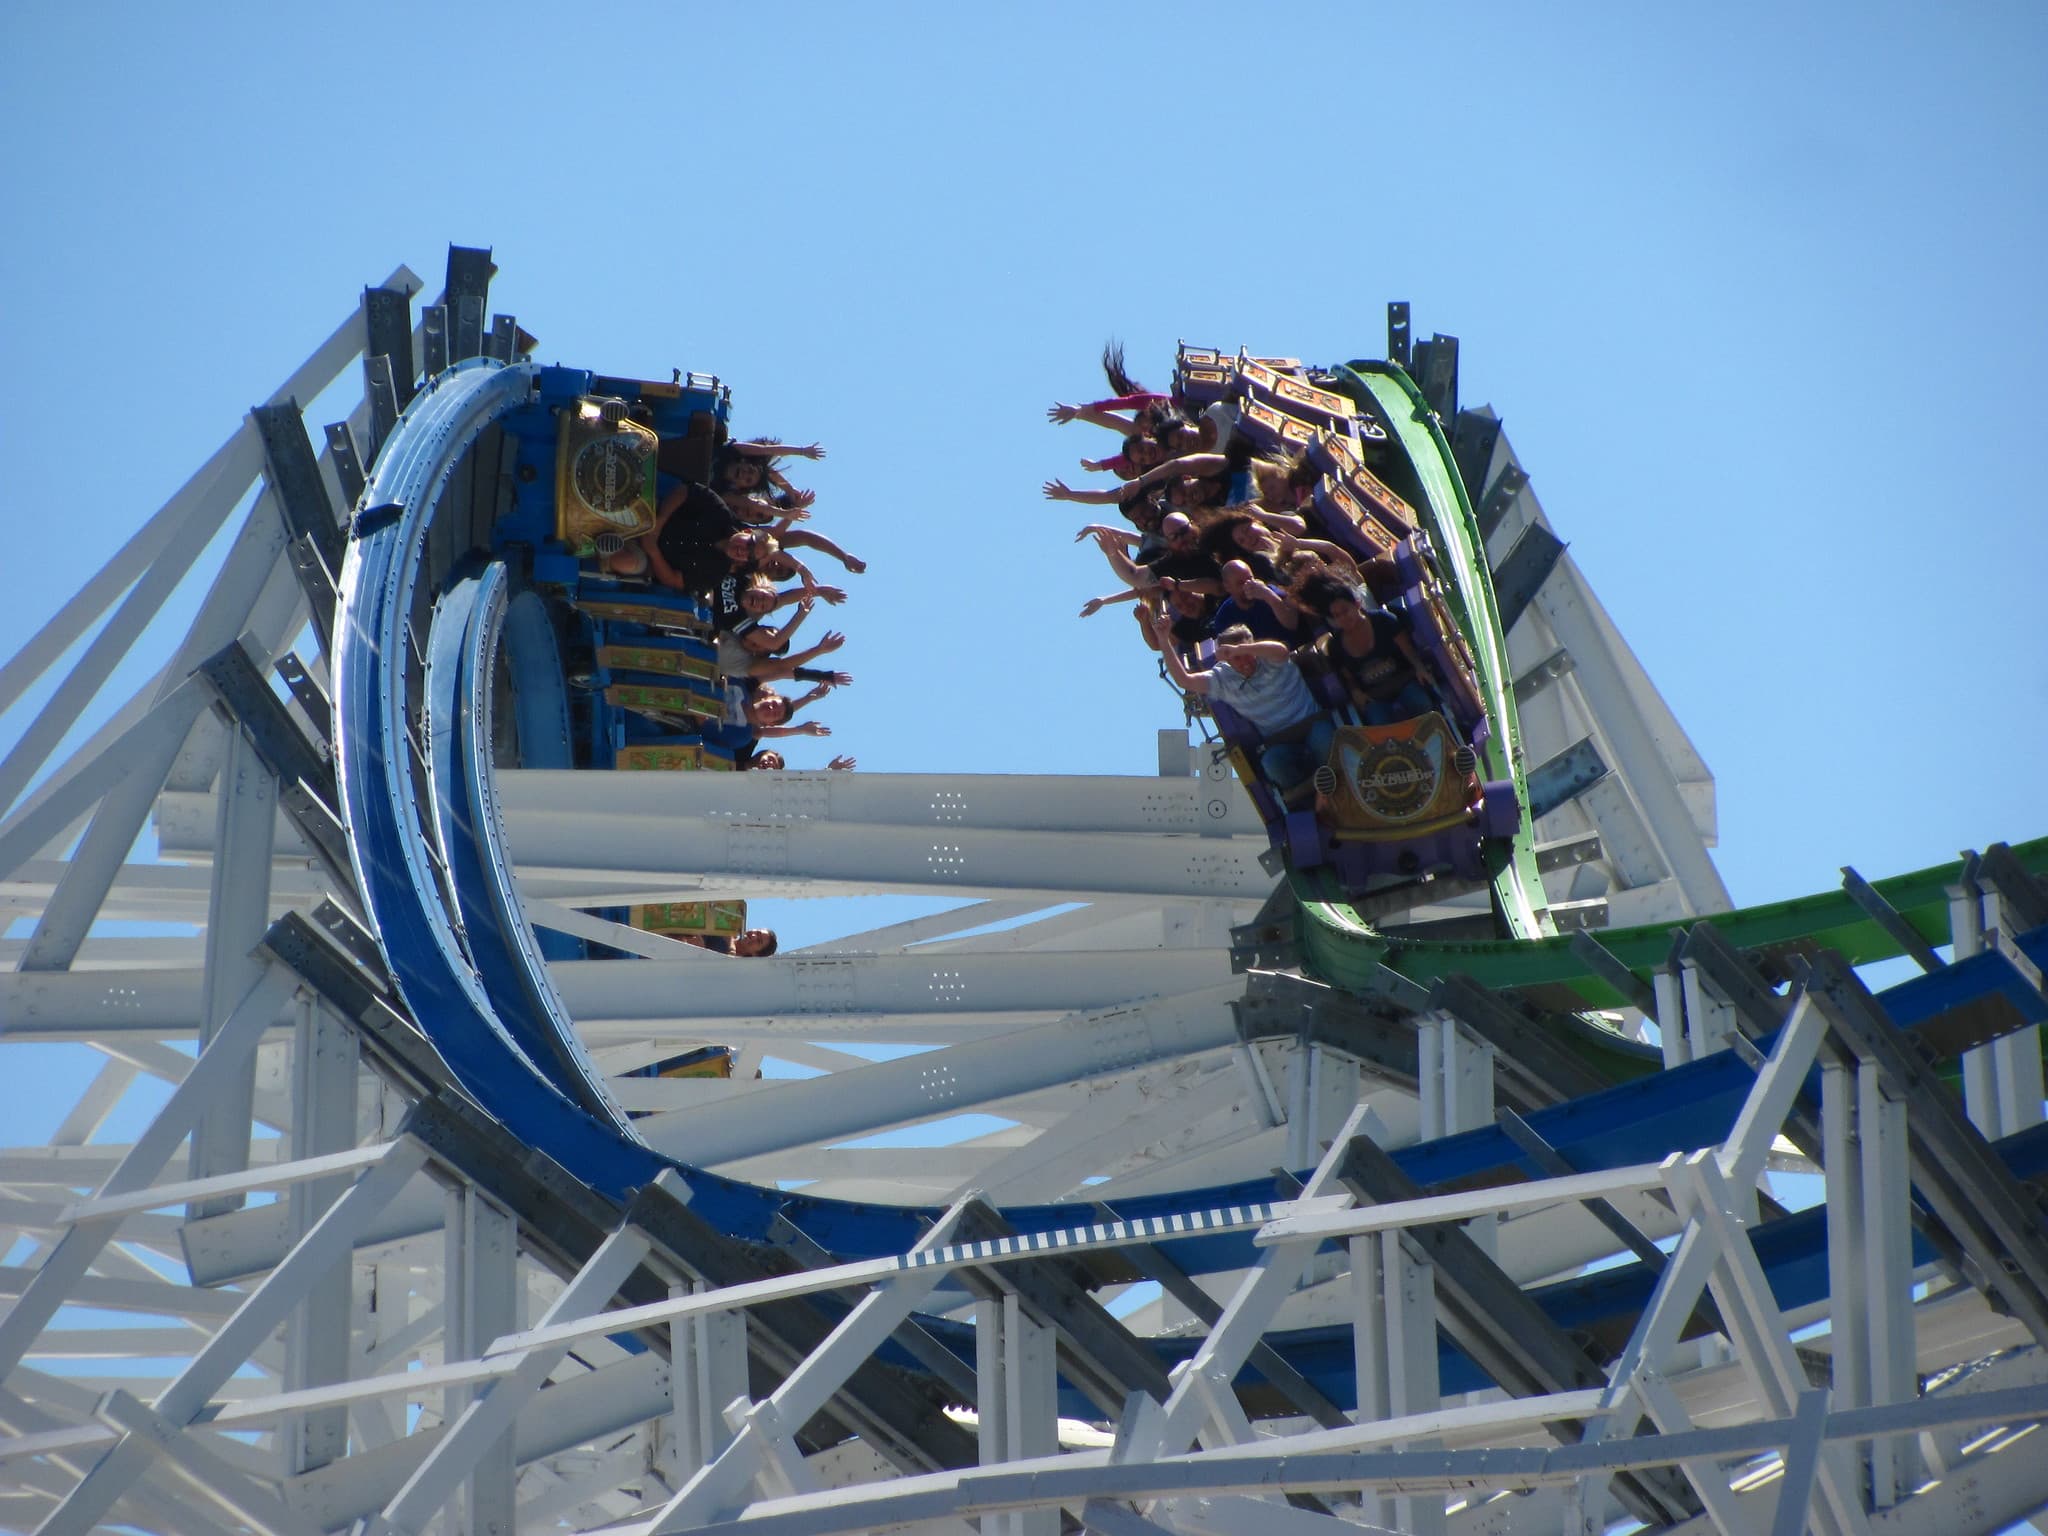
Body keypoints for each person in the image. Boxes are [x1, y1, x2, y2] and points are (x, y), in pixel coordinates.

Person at [1140, 610, 1334, 800]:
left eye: (1246, 653)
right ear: (1226, 659)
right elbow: (1185, 681)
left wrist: (1240, 650)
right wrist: (1163, 639)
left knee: (1325, 737)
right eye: (1236, 658)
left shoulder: (1269, 657)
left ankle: (1333, 785)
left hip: (1313, 726)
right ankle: (1319, 794)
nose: (1244, 662)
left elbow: (1281, 651)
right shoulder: (1222, 678)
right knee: (1272, 763)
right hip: (1281, 742)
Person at [1295, 573, 1436, 725]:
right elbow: (1348, 678)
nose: (1343, 618)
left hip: (1404, 681)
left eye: (1345, 611)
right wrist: (1356, 692)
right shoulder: (1335, 646)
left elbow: (1408, 650)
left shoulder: (1383, 620)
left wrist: (1419, 667)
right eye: (1337, 615)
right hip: (1375, 696)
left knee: (1420, 702)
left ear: (1357, 604)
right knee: (1378, 721)